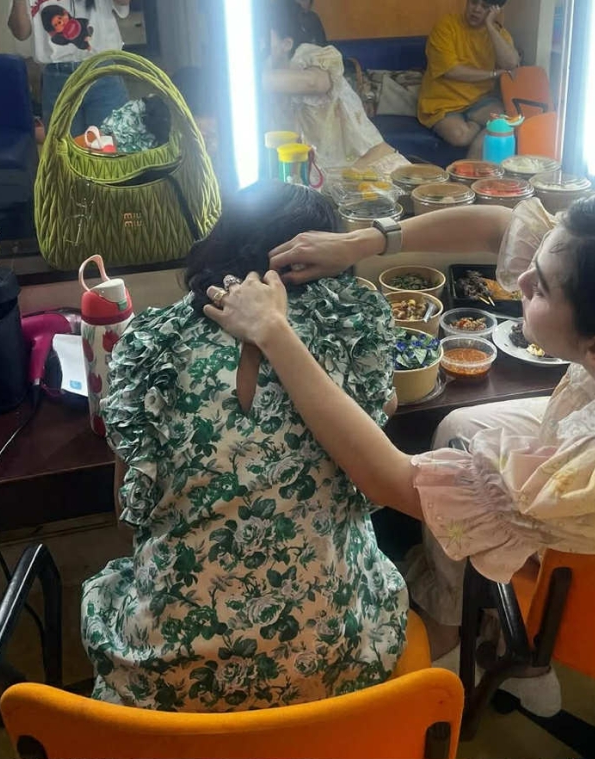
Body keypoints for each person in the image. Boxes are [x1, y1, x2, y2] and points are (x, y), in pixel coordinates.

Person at [204, 162, 595, 715]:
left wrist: (275, 332)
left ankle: (508, 652)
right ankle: (456, 606)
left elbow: (388, 479)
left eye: (540, 288)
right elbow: (499, 227)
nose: (521, 277)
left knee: (454, 487)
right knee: (461, 429)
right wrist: (362, 241)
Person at [81, 182, 408, 712]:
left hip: (171, 692)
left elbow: (128, 514)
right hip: (334, 673)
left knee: (117, 583)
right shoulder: (349, 325)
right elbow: (380, 420)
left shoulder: (151, 345)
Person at [262, 0, 407, 174]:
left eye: (263, 35)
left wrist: (246, 77)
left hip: (374, 168)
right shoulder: (261, 80)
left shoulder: (310, 56)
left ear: (286, 44)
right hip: (327, 180)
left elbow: (314, 82)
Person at [8, 0, 130, 136]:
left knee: (111, 143)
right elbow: (20, 33)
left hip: (101, 71)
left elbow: (123, 2)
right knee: (62, 146)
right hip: (57, 77)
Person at [418, 0, 520, 158]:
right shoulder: (446, 25)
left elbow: (511, 63)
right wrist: (493, 74)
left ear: (495, 10)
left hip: (481, 100)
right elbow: (451, 71)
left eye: (484, 6)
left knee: (501, 125)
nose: (476, 9)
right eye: (473, 2)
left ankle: (473, 170)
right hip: (443, 102)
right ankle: (476, 123)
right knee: (461, 137)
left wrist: (490, 26)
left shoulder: (498, 33)